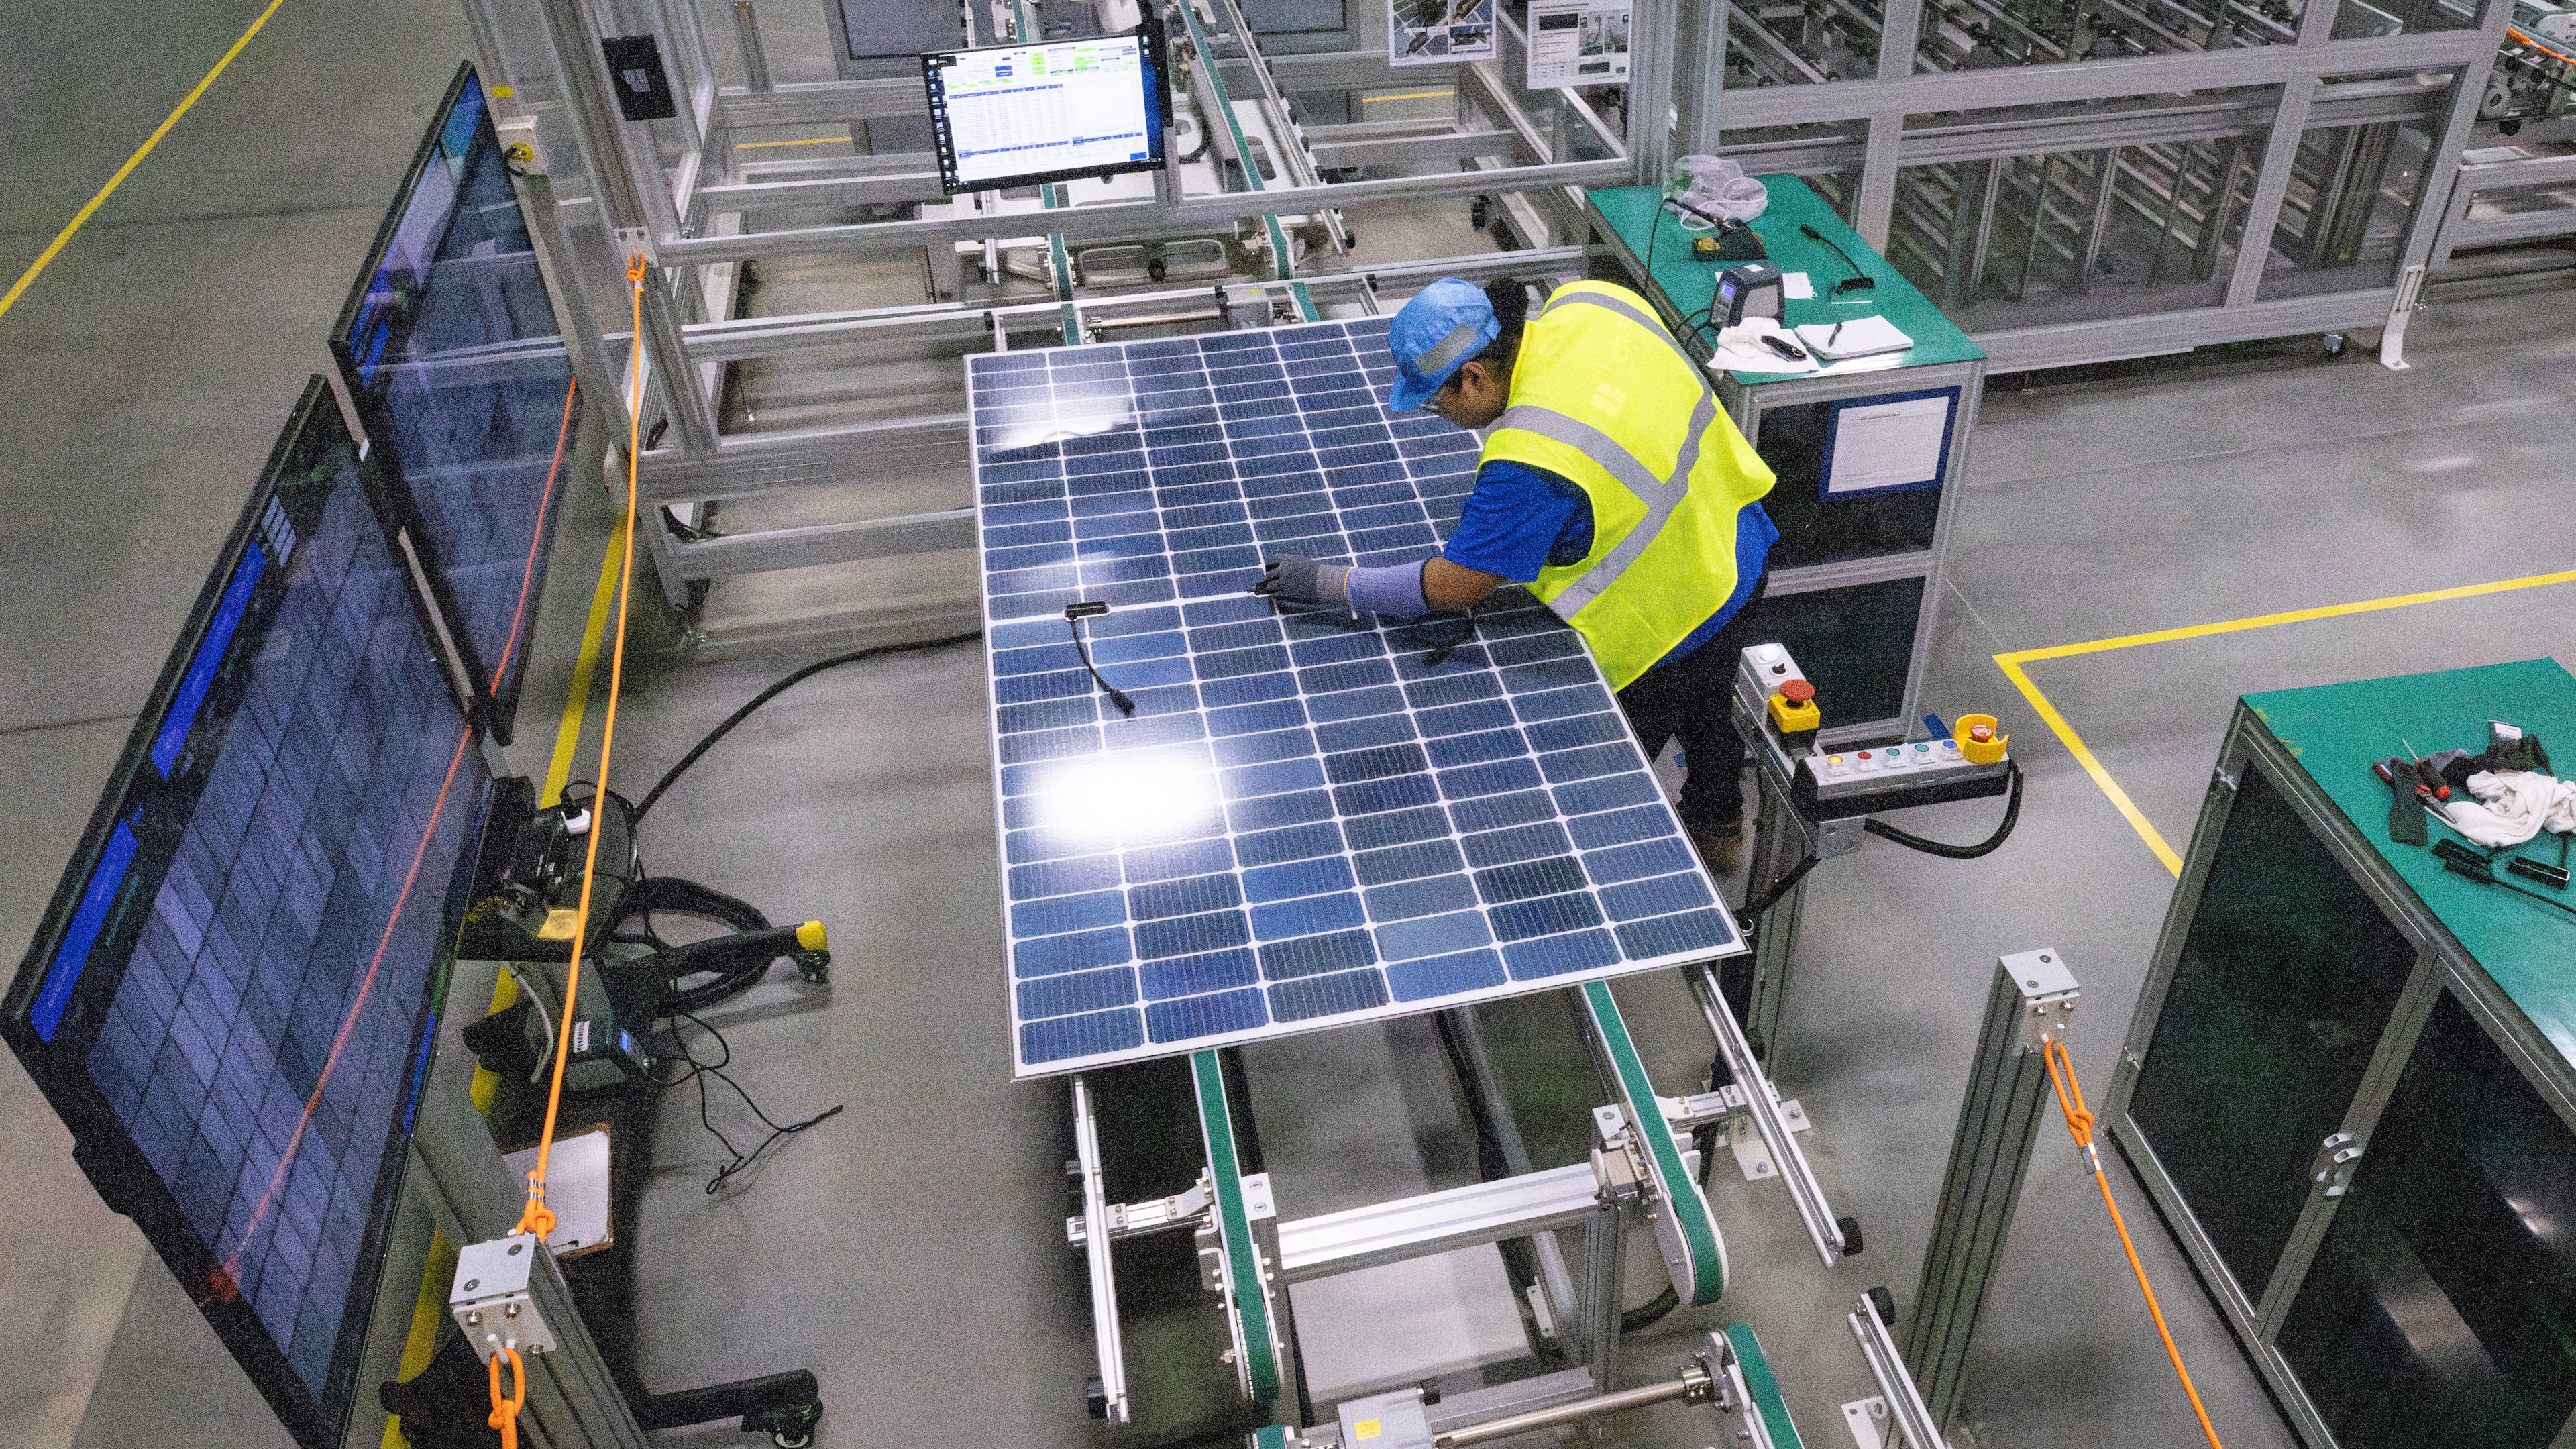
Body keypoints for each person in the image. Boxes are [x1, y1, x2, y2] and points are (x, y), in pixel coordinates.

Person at [1255, 276, 1778, 869]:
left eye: (1436, 400)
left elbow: (1457, 585)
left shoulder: (1534, 455)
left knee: (1609, 763)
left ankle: (1581, 885)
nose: (1440, 414)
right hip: (1738, 543)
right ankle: (1720, 824)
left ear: (1475, 375)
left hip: (1669, 618)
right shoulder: (1593, 302)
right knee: (1710, 702)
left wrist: (1332, 584)